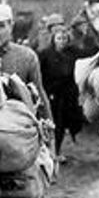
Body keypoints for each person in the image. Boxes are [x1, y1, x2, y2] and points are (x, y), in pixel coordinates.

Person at [37, 19, 85, 158]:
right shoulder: (45, 54)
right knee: (54, 123)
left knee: (65, 123)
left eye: (64, 38)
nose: (62, 41)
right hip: (52, 93)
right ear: (53, 39)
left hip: (68, 93)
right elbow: (39, 74)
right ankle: (52, 151)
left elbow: (87, 54)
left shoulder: (72, 52)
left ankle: (57, 151)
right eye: (59, 38)